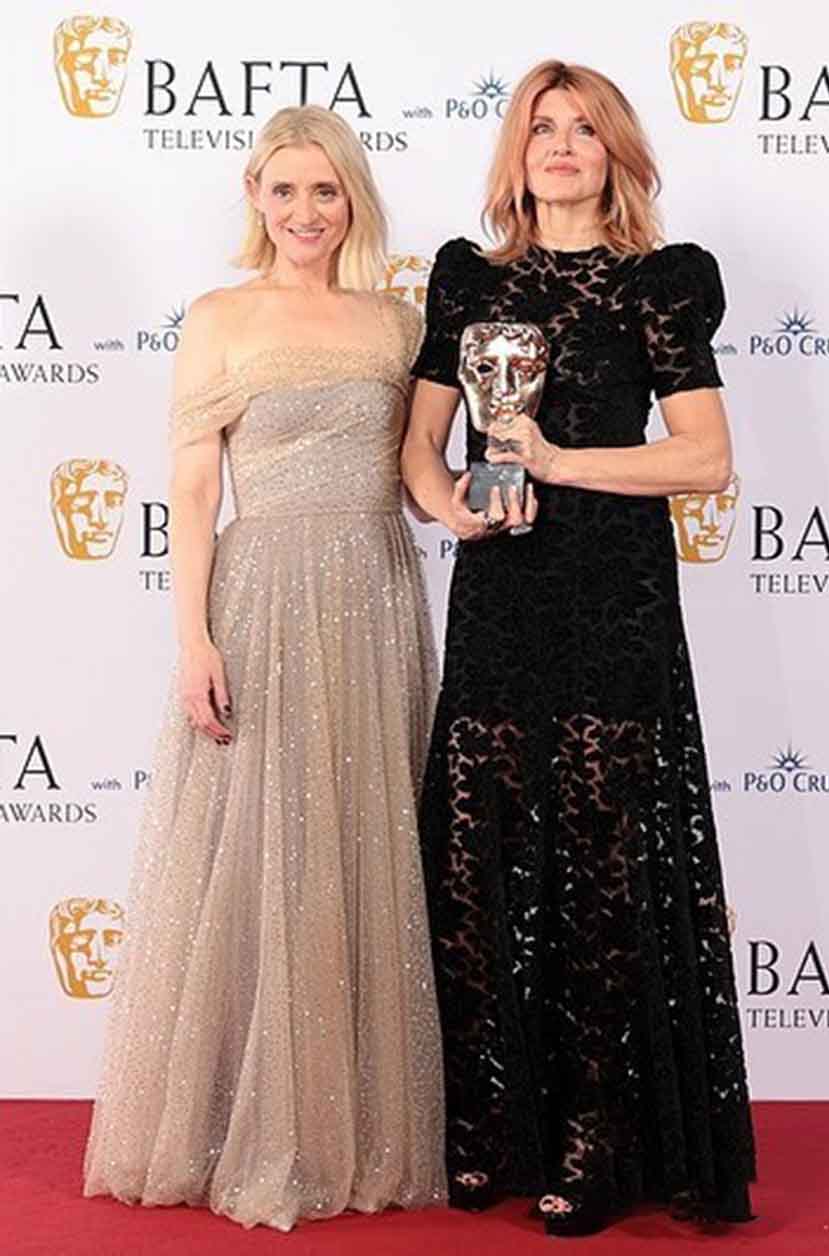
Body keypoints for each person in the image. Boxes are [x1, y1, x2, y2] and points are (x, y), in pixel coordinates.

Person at [402, 60, 755, 1237]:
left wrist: (557, 460)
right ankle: (490, 1124)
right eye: (543, 127)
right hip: (500, 593)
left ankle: (602, 1142)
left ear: (615, 152)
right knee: (476, 858)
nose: (561, 145)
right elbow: (420, 450)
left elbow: (703, 458)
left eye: (584, 128)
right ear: (517, 150)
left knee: (604, 864)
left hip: (613, 597)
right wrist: (450, 503)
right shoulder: (467, 281)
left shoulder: (659, 283)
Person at [83, 105, 445, 1231]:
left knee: (362, 847)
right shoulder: (219, 318)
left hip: (378, 593)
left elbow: (421, 471)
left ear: (353, 201)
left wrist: (478, 512)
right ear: (254, 197)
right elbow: (194, 493)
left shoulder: (400, 321)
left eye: (324, 191)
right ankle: (240, 1116)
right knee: (258, 848)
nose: (303, 212)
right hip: (262, 598)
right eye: (282, 190)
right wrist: (192, 637)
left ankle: (360, 1126)